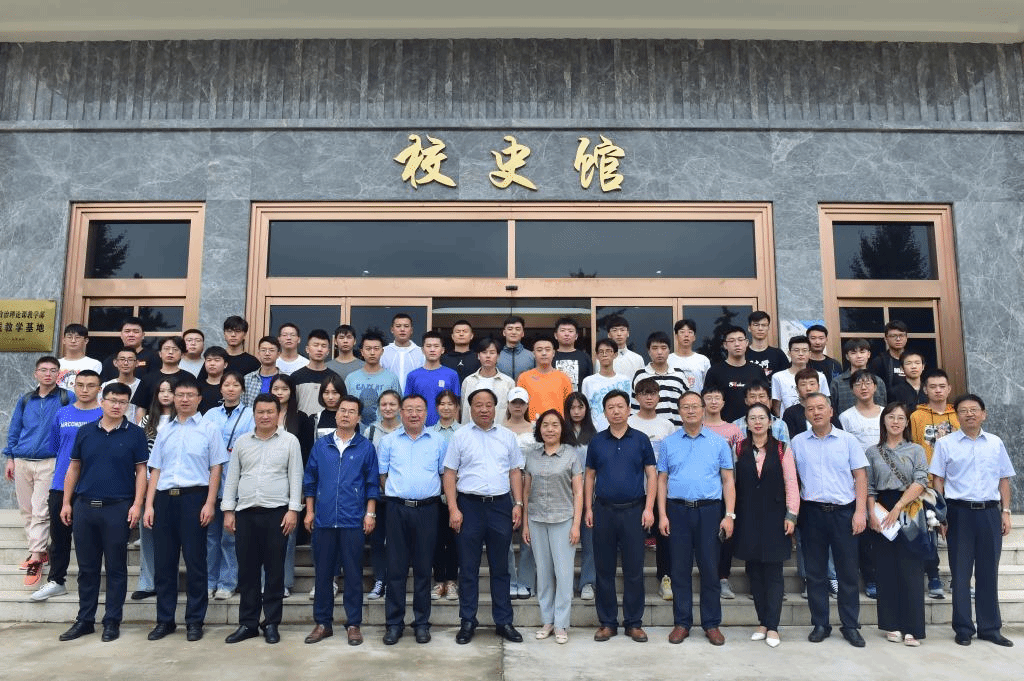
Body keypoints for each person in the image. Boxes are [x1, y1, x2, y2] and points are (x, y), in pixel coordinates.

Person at [56, 382, 148, 642]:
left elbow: (141, 471)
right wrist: (66, 502)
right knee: (87, 569)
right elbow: (74, 468)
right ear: (102, 401)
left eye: (123, 402)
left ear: (128, 405)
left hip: (117, 508)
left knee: (116, 568)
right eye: (112, 400)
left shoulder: (135, 434)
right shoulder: (85, 432)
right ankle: (85, 620)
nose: (117, 406)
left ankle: (112, 621)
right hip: (85, 507)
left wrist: (137, 504)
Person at [143, 374, 229, 642]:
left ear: (199, 399)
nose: (184, 400)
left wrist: (210, 503)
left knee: (195, 563)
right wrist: (149, 505)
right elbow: (155, 469)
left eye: (190, 395)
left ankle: (194, 620)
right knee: (164, 564)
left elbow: (216, 468)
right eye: (179, 395)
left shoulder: (209, 429)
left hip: (195, 499)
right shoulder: (165, 429)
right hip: (164, 499)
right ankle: (165, 620)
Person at [930, 394, 1016, 647]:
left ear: (983, 414)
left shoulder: (996, 443)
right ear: (956, 416)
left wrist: (1006, 511)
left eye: (974, 409)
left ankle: (990, 628)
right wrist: (941, 515)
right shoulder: (945, 444)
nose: (969, 414)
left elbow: (1003, 479)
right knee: (961, 572)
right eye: (964, 410)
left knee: (988, 572)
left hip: (989, 513)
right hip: (959, 513)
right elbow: (938, 480)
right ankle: (963, 628)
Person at [442, 388, 526, 644]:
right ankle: (468, 620)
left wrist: (518, 503)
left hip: (500, 506)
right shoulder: (460, 436)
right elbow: (449, 473)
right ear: (470, 408)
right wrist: (453, 508)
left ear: (496, 407)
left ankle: (504, 621)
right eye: (478, 405)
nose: (484, 409)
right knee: (468, 568)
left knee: (501, 567)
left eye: (489, 404)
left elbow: (515, 471)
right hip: (469, 507)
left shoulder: (507, 436)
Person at [221, 393, 303, 645]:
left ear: (278, 414)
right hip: (245, 513)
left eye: (270, 412)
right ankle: (248, 623)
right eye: (260, 412)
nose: (265, 416)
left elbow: (296, 476)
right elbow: (232, 478)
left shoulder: (290, 441)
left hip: (277, 514)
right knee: (247, 572)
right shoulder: (242, 442)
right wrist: (228, 510)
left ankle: (271, 623)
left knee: (275, 572)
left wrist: (293, 510)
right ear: (253, 414)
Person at [790, 393, 869, 647]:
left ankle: (850, 625)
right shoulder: (798, 442)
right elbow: (792, 479)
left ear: (831, 411)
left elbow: (861, 477)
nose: (816, 412)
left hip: (844, 513)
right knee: (815, 573)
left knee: (847, 573)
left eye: (820, 408)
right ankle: (820, 624)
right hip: (811, 513)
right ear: (805, 414)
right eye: (810, 409)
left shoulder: (848, 440)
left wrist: (860, 512)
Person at [657, 391, 735, 646]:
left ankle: (711, 624)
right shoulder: (668, 443)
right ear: (679, 411)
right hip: (677, 511)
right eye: (685, 407)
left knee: (710, 568)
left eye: (694, 406)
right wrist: (662, 515)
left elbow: (728, 481)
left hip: (709, 511)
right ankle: (682, 623)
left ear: (703, 410)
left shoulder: (718, 443)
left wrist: (729, 515)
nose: (690, 411)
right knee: (679, 569)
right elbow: (662, 480)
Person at [302, 395, 378, 645]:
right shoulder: (321, 446)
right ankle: (322, 623)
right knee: (323, 575)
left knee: (354, 575)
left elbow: (371, 484)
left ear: (359, 418)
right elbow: (310, 480)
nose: (346, 415)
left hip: (353, 520)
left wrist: (370, 513)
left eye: (351, 411)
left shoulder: (365, 447)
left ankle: (353, 624)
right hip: (324, 520)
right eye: (342, 410)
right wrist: (310, 511)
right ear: (336, 415)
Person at [585, 390, 656, 643]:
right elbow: (589, 476)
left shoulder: (641, 439)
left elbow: (651, 474)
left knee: (634, 569)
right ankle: (607, 622)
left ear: (628, 409)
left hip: (634, 511)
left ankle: (634, 623)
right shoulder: (597, 441)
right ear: (604, 412)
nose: (615, 411)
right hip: (603, 511)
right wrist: (588, 508)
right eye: (610, 407)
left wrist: (649, 508)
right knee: (604, 569)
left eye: (620, 406)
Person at [378, 394, 448, 645]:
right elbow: (383, 476)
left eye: (419, 409)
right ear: (401, 412)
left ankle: (421, 623)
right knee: (395, 569)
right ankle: (394, 624)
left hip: (428, 510)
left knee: (423, 569)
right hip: (396, 510)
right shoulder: (388, 441)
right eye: (409, 409)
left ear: (426, 413)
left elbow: (444, 475)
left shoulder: (438, 441)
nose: (414, 414)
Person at [732, 403, 799, 648]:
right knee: (754, 572)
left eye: (762, 418)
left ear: (770, 422)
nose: (758, 422)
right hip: (747, 517)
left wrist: (791, 515)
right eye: (753, 418)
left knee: (773, 574)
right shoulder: (738, 448)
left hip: (775, 518)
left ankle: (773, 626)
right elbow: (732, 482)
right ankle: (762, 622)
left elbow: (791, 482)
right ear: (747, 423)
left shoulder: (782, 448)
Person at [32, 370, 102, 601]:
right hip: (61, 484)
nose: (84, 390)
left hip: (92, 486)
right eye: (80, 385)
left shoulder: (105, 414)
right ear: (74, 387)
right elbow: (55, 446)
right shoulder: (62, 413)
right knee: (59, 537)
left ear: (99, 389)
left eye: (90, 385)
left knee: (91, 539)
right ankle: (56, 580)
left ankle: (90, 582)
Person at [865, 402, 929, 647]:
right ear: (884, 420)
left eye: (901, 418)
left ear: (906, 422)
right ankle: (891, 624)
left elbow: (921, 480)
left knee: (911, 569)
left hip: (909, 507)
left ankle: (913, 628)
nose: (895, 422)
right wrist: (872, 514)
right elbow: (869, 486)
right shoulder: (873, 451)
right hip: (881, 510)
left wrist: (899, 506)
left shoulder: (916, 449)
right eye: (891, 417)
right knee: (886, 568)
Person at [4, 356, 71, 586]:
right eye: (43, 370)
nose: (48, 374)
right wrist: (10, 457)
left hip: (49, 461)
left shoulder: (66, 398)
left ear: (58, 374)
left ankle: (35, 557)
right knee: (27, 510)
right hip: (22, 460)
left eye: (53, 370)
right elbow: (15, 429)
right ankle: (40, 551)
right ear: (35, 374)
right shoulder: (26, 400)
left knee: (41, 510)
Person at [522, 409, 583, 644]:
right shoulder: (532, 456)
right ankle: (547, 621)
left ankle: (561, 624)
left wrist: (576, 525)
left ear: (562, 428)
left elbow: (578, 492)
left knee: (564, 574)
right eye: (545, 425)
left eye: (555, 425)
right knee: (544, 574)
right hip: (537, 520)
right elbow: (526, 492)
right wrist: (525, 524)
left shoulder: (571, 455)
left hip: (563, 519)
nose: (550, 429)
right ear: (539, 429)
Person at [203, 370, 254, 601]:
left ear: (242, 389)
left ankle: (227, 582)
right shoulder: (210, 415)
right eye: (226, 385)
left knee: (229, 537)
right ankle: (209, 581)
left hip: (237, 483)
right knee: (210, 537)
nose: (231, 389)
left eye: (235, 385)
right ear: (220, 388)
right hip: (211, 482)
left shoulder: (250, 414)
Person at [909, 368, 958, 598]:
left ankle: (960, 578)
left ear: (949, 389)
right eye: (933, 387)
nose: (938, 391)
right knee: (929, 532)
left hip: (956, 484)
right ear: (925, 390)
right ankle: (934, 576)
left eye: (942, 386)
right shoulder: (916, 416)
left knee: (957, 533)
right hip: (927, 484)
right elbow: (913, 447)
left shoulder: (958, 415)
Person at [628, 377, 677, 601]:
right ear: (637, 397)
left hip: (662, 489)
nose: (649, 397)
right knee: (634, 538)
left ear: (658, 397)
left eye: (653, 393)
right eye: (644, 393)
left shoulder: (667, 425)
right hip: (635, 490)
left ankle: (665, 578)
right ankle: (634, 581)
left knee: (664, 535)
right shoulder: (629, 422)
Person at [132, 378, 175, 601]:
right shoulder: (147, 420)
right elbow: (139, 451)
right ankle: (148, 582)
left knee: (173, 537)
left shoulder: (184, 419)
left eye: (170, 390)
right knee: (147, 535)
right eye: (162, 390)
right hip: (148, 484)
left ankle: (169, 581)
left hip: (175, 484)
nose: (166, 395)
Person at [269, 373, 311, 597]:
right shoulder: (264, 414)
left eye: (284, 389)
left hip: (292, 480)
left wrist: (303, 487)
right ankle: (266, 580)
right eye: (276, 388)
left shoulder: (301, 418)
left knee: (288, 533)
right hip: (267, 480)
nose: (279, 393)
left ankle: (284, 582)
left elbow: (306, 453)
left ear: (291, 392)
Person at [362, 389, 402, 601]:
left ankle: (396, 580)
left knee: (398, 540)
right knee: (377, 540)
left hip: (400, 495)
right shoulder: (370, 431)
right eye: (384, 404)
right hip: (376, 495)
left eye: (392, 404)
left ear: (399, 407)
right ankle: (379, 579)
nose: (388, 408)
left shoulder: (406, 429)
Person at [564, 392, 597, 600]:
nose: (576, 412)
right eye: (572, 408)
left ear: (586, 409)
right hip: (564, 494)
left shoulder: (595, 435)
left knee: (589, 542)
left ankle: (587, 582)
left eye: (580, 407)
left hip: (587, 495)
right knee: (564, 543)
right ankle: (565, 582)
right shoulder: (560, 433)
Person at [429, 390, 461, 602]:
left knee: (456, 541)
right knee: (437, 540)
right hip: (435, 496)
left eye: (450, 404)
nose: (446, 407)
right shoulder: (429, 432)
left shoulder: (464, 432)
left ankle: (452, 582)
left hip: (460, 495)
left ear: (457, 407)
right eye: (442, 404)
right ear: (437, 407)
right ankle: (439, 580)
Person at [704, 326, 767, 423]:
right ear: (725, 345)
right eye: (732, 341)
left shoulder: (757, 370)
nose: (737, 344)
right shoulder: (715, 371)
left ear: (746, 343)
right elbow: (707, 402)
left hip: (754, 425)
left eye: (740, 340)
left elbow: (766, 399)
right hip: (725, 426)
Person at [629, 331, 689, 427]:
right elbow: (634, 407)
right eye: (655, 348)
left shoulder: (679, 375)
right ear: (649, 351)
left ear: (669, 350)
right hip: (648, 429)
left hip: (677, 429)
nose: (659, 352)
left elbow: (687, 405)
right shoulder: (641, 376)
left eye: (663, 348)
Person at [345, 330, 401, 428]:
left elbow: (399, 410)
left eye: (376, 349)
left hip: (384, 432)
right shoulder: (351, 378)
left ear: (382, 351)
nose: (372, 352)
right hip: (355, 432)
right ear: (362, 352)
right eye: (368, 349)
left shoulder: (392, 379)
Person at [405, 331, 460, 426]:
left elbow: (456, 405)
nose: (432, 350)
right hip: (419, 428)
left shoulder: (452, 375)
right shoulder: (412, 376)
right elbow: (407, 405)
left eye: (436, 346)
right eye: (428, 346)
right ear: (422, 350)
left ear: (442, 350)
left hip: (445, 428)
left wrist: (454, 429)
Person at [132, 336, 191, 423]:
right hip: (152, 426)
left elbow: (192, 406)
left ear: (182, 355)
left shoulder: (189, 378)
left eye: (175, 349)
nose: (170, 352)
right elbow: (141, 408)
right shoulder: (148, 378)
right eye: (166, 349)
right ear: (160, 353)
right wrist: (142, 428)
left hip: (181, 425)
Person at [461, 337, 516, 426]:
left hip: (500, 431)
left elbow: (511, 411)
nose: (488, 356)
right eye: (484, 352)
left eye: (492, 352)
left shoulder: (508, 382)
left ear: (498, 356)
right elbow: (464, 409)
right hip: (471, 431)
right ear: (478, 356)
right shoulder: (468, 381)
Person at [770, 335, 830, 415]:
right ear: (789, 353)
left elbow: (826, 401)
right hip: (788, 420)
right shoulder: (778, 377)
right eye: (796, 350)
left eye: (804, 350)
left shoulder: (820, 376)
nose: (800, 354)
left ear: (810, 354)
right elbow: (776, 406)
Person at [517, 336, 572, 421]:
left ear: (553, 353)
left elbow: (569, 407)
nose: (544, 353)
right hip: (531, 425)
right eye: (539, 350)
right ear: (533, 354)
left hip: (557, 424)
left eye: (547, 350)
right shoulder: (524, 378)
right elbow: (519, 405)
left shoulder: (564, 378)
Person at [580, 338, 631, 431]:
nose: (604, 354)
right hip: (595, 431)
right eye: (601, 352)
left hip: (621, 430)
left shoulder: (625, 381)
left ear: (615, 354)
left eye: (608, 351)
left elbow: (629, 408)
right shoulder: (588, 382)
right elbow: (584, 409)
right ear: (597, 355)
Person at [829, 338, 888, 415]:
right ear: (847, 356)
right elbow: (832, 410)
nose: (859, 356)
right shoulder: (837, 382)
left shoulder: (878, 381)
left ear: (868, 354)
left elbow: (882, 408)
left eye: (862, 352)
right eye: (853, 353)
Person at [290, 329, 341, 415]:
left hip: (326, 423)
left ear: (328, 351)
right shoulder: (296, 377)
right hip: (301, 423)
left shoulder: (334, 378)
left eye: (323, 346)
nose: (319, 349)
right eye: (316, 345)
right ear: (307, 349)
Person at [99, 317, 158, 381]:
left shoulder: (153, 357)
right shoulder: (110, 360)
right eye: (127, 331)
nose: (131, 335)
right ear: (121, 335)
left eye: (136, 332)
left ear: (143, 335)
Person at [839, 370, 884, 451]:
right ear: (852, 389)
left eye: (868, 383)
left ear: (875, 387)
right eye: (858, 384)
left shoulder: (885, 413)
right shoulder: (845, 417)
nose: (863, 388)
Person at [381, 313, 425, 391]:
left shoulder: (421, 353)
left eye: (406, 326)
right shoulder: (383, 352)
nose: (402, 329)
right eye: (398, 326)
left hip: (414, 397)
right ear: (392, 329)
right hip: (389, 397)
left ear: (411, 330)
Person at [667, 318, 711, 392]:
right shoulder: (668, 359)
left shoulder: (703, 360)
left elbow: (708, 387)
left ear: (694, 337)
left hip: (697, 399)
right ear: (676, 336)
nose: (686, 335)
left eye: (690, 332)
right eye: (682, 332)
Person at [57, 323, 103, 390]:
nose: (73, 341)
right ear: (64, 340)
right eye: (69, 337)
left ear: (86, 341)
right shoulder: (56, 364)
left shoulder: (94, 364)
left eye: (77, 337)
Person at [552, 316, 593, 391]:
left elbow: (590, 383)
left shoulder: (584, 357)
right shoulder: (550, 357)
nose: (566, 334)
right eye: (562, 330)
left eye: (570, 331)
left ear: (576, 336)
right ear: (556, 335)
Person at [745, 311, 790, 378]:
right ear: (749, 328)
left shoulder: (778, 354)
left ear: (768, 328)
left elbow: (786, 378)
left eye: (764, 325)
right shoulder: (742, 354)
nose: (760, 329)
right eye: (756, 325)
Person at [868, 320, 909, 392]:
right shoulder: (879, 361)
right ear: (886, 339)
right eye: (893, 336)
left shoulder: (914, 360)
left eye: (901, 335)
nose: (898, 339)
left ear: (906, 338)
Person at [243, 336, 282, 407]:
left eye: (271, 350)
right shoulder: (248, 379)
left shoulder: (284, 379)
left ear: (278, 354)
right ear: (258, 353)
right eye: (263, 350)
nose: (267, 353)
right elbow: (243, 405)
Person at [701, 385, 744, 449]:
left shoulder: (733, 429)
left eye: (717, 398)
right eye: (709, 398)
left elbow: (740, 453)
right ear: (702, 403)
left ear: (723, 403)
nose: (713, 402)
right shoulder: (695, 428)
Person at [441, 319, 480, 384]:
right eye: (458, 332)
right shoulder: (443, 359)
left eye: (465, 331)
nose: (461, 334)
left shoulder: (478, 358)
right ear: (452, 336)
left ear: (471, 336)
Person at [497, 315, 535, 381]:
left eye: (517, 329)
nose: (513, 332)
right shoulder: (496, 356)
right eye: (510, 329)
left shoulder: (532, 356)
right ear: (504, 333)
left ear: (522, 333)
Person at [198, 346, 228, 414]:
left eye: (217, 360)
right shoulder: (197, 386)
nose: (212, 364)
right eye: (209, 360)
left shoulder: (229, 387)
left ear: (225, 365)